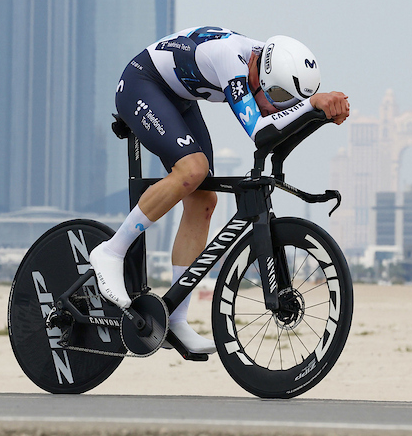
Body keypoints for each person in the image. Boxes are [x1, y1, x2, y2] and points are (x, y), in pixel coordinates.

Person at [90, 27, 350, 353]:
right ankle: (111, 251)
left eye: (288, 101)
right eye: (279, 97)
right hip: (142, 85)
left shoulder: (263, 64)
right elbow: (261, 132)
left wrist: (316, 115)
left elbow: (279, 127)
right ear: (259, 75)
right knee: (192, 170)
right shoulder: (231, 58)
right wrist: (312, 106)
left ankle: (175, 319)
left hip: (178, 99)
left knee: (204, 201)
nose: (277, 107)